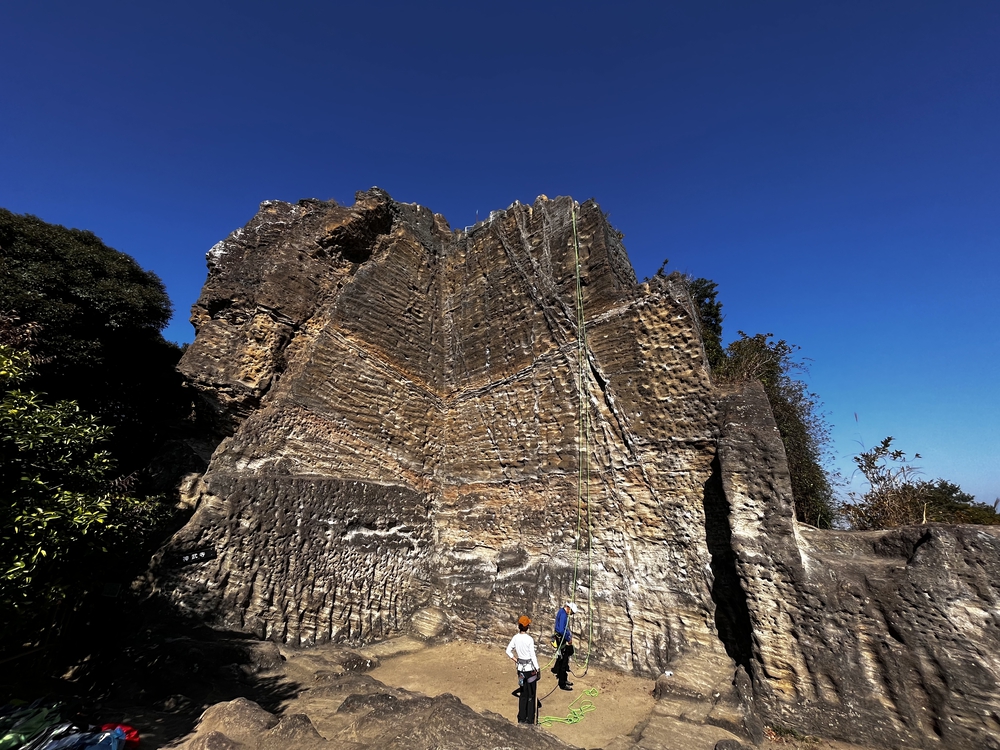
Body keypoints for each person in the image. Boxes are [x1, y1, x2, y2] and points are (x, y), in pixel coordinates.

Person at [505, 615, 540, 724]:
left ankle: (521, 717)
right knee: (531, 695)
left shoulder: (515, 638)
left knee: (523, 694)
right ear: (527, 626)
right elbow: (533, 655)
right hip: (530, 671)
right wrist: (538, 668)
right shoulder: (529, 639)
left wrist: (516, 660)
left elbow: (508, 651)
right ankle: (529, 719)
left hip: (520, 670)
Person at [552, 601, 577, 690]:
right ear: (569, 608)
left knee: (563, 659)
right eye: (572, 612)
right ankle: (562, 683)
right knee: (563, 661)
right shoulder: (563, 615)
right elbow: (562, 630)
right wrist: (568, 638)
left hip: (560, 638)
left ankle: (564, 678)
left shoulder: (562, 612)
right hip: (561, 639)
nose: (571, 614)